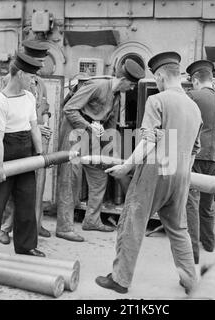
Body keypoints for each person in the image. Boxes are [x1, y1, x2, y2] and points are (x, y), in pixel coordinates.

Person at [95, 52, 202, 295]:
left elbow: (148, 141)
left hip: (155, 171)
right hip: (181, 173)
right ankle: (191, 282)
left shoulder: (157, 101)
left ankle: (120, 280)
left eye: (157, 79)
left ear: (162, 76)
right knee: (178, 228)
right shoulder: (194, 107)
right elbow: (194, 149)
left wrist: (127, 167)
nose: (158, 83)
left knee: (132, 222)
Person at [55, 59, 145, 242]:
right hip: (74, 131)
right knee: (70, 178)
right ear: (124, 80)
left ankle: (92, 220)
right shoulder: (97, 86)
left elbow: (110, 124)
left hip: (91, 133)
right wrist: (89, 126)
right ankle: (64, 228)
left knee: (99, 174)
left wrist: (111, 154)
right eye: (132, 84)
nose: (133, 89)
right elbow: (69, 109)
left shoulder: (117, 96)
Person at [0, 52, 45, 257]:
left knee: (26, 201)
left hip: (26, 153)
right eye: (31, 77)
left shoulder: (30, 97)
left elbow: (34, 128)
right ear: (20, 74)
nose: (33, 81)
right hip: (4, 153)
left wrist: (39, 155)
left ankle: (26, 246)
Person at [0, 40, 53, 245]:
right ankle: (4, 228)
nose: (40, 67)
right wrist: (36, 126)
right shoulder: (8, 81)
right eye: (37, 62)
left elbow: (45, 107)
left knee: (36, 186)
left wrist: (44, 124)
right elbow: (9, 114)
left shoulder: (40, 82)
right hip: (18, 139)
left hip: (38, 138)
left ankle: (35, 223)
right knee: (14, 187)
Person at [185, 60, 215, 264]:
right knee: (207, 203)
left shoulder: (192, 97)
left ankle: (193, 251)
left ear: (195, 80)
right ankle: (209, 243)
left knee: (191, 203)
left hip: (195, 156)